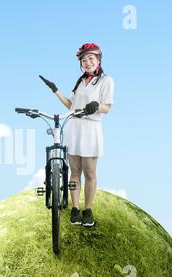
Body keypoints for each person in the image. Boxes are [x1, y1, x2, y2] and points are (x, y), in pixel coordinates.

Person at [39, 43, 114, 227]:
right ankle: (75, 208)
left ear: (98, 60)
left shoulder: (106, 81)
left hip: (91, 129)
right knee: (74, 172)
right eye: (83, 60)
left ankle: (87, 209)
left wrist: (96, 106)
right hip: (75, 128)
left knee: (89, 172)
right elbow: (70, 106)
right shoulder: (80, 82)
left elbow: (107, 107)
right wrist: (55, 90)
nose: (87, 63)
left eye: (90, 59)